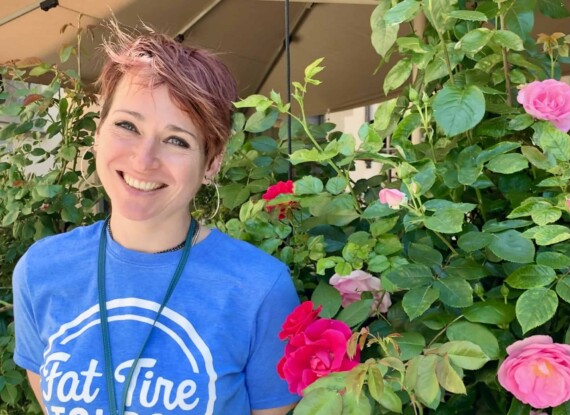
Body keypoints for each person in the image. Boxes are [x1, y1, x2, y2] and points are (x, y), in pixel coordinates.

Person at [12, 23, 300, 415]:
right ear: (98, 132)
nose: (144, 160)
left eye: (177, 140)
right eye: (127, 126)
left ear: (211, 163)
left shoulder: (260, 289)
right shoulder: (41, 270)